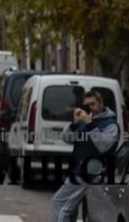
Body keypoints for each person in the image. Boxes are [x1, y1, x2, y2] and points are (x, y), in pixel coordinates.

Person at [49, 90, 120, 221]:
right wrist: (74, 123)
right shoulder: (83, 121)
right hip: (79, 171)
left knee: (59, 203)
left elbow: (103, 146)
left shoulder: (111, 125)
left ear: (101, 104)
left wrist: (90, 124)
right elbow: (67, 138)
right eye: (86, 105)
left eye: (93, 104)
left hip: (93, 174)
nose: (90, 108)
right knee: (75, 211)